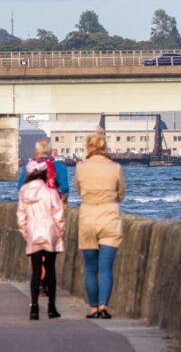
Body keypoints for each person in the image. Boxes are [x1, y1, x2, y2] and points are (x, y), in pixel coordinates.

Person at [75, 132, 125, 319]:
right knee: (105, 267)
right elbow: (121, 193)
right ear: (105, 147)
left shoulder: (81, 168)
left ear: (88, 147)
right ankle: (104, 306)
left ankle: (93, 307)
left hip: (88, 217)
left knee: (90, 267)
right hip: (109, 218)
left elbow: (79, 191)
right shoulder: (115, 167)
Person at [16, 160, 65, 321]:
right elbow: (59, 216)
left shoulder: (23, 192)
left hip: (33, 232)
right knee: (50, 270)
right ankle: (51, 307)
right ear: (45, 174)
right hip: (49, 232)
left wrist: (26, 233)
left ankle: (34, 309)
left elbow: (21, 217)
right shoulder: (50, 193)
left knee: (36, 271)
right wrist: (60, 233)